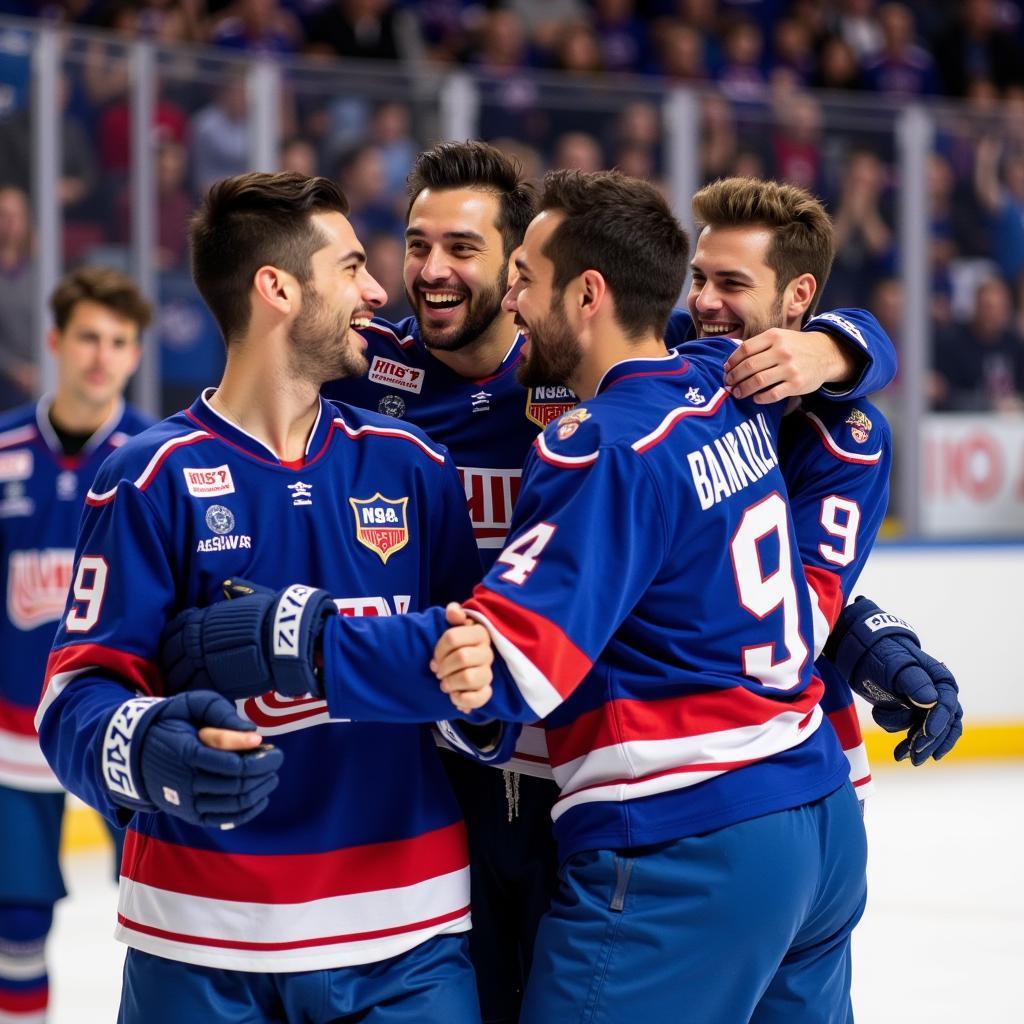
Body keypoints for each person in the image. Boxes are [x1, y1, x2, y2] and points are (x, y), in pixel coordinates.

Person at [163, 172, 961, 1022]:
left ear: (584, 293)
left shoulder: (601, 438)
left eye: (503, 268)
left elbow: (509, 661)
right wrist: (845, 348)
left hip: (668, 818)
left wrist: (300, 639)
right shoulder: (714, 384)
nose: (496, 294)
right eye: (415, 243)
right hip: (801, 804)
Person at [34, 172, 484, 1023]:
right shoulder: (148, 478)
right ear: (277, 289)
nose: (379, 291)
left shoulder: (412, 467)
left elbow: (485, 674)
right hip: (200, 938)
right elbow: (71, 702)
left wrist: (316, 645)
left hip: (406, 936)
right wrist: (148, 749)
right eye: (352, 268)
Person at [0, 266, 153, 1024]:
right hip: (9, 738)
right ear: (57, 342)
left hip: (115, 729)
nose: (102, 355)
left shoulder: (155, 459)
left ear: (135, 354)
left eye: (119, 342)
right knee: (17, 927)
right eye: (88, 337)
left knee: (168, 920)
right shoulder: (2, 451)